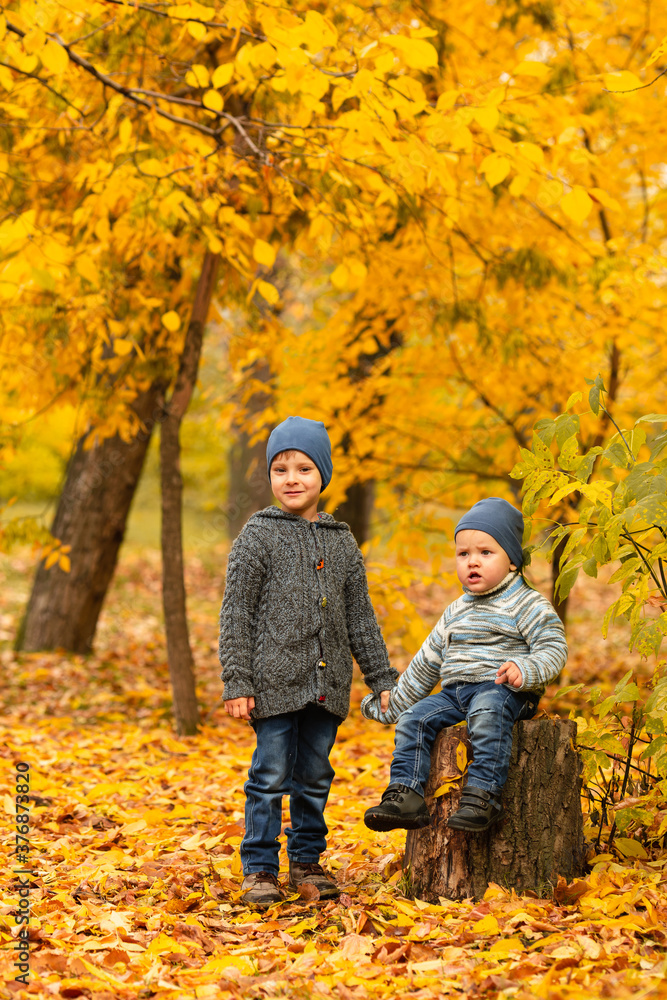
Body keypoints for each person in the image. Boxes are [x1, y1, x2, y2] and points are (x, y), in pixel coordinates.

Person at [219, 416, 397, 907]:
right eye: (280, 469)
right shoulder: (258, 536)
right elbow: (236, 612)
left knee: (315, 775)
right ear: (270, 477)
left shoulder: (341, 541)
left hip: (327, 685)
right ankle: (259, 867)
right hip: (272, 684)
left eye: (303, 467)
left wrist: (382, 676)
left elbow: (360, 615)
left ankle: (307, 861)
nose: (291, 478)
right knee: (270, 774)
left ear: (323, 475)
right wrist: (237, 680)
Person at [362, 497, 567, 833]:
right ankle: (406, 795)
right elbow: (425, 665)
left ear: (513, 561)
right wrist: (391, 705)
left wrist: (525, 669)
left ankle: (483, 795)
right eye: (464, 554)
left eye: (486, 553)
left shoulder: (525, 602)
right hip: (456, 692)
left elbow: (553, 646)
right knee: (415, 719)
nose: (473, 562)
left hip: (504, 690)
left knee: (487, 711)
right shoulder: (456, 610)